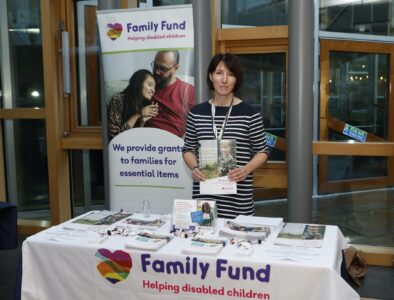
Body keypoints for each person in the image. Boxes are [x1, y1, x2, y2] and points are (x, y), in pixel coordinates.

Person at [182, 53, 269, 219]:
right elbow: (188, 148)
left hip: (239, 200)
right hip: (204, 200)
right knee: (203, 240)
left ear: (236, 80)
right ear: (210, 76)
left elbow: (262, 151)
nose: (224, 79)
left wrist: (246, 170)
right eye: (219, 73)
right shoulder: (196, 113)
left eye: (230, 74)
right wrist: (194, 168)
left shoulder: (250, 113)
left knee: (240, 242)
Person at [144, 50, 195, 137]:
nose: (156, 71)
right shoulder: (145, 85)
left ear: (176, 68)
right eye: (155, 66)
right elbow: (123, 98)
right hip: (144, 143)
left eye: (163, 69)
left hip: (174, 146)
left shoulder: (188, 91)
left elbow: (197, 123)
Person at [107, 69, 158, 140]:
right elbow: (117, 138)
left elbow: (137, 139)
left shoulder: (146, 105)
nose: (153, 90)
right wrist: (138, 114)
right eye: (150, 85)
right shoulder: (118, 99)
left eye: (154, 87)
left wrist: (142, 122)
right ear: (139, 83)